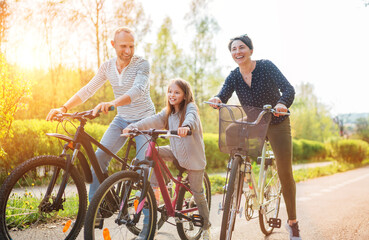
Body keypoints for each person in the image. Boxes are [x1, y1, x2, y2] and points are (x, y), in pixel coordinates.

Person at [46, 27, 155, 202]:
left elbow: (138, 90)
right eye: (123, 46)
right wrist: (64, 108)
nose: (128, 51)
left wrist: (113, 103)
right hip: (122, 120)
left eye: (131, 46)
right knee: (99, 158)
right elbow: (88, 90)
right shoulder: (107, 67)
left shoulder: (142, 64)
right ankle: (96, 213)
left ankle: (149, 225)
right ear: (113, 44)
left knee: (143, 169)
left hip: (145, 120)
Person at [208, 34, 301, 240]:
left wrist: (282, 103)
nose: (237, 52)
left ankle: (293, 223)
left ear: (250, 50)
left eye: (241, 48)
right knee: (231, 130)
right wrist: (217, 98)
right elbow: (223, 93)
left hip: (276, 122)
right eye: (233, 49)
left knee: (285, 172)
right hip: (254, 123)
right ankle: (241, 168)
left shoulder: (266, 66)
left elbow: (288, 89)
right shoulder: (234, 75)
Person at [123, 78, 211, 240]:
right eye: (170, 91)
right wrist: (134, 126)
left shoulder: (190, 107)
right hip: (176, 152)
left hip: (194, 159)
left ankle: (206, 227)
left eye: (177, 92)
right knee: (150, 153)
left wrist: (186, 127)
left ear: (185, 95)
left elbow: (191, 117)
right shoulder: (168, 112)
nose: (172, 95)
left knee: (198, 193)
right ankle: (155, 190)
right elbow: (153, 120)